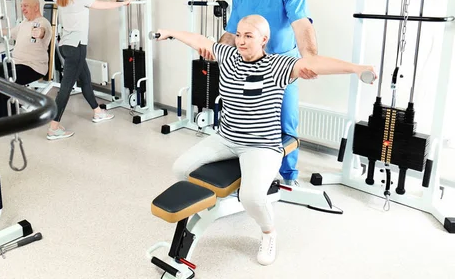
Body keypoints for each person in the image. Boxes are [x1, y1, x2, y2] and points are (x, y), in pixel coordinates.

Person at [156, 15, 376, 266]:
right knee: (181, 168)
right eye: (238, 35)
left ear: (264, 39)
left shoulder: (278, 66)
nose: (240, 41)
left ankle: (269, 232)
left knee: (250, 197)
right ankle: (212, 203)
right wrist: (170, 31)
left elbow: (318, 63)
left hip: (262, 145)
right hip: (226, 138)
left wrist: (357, 69)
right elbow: (197, 40)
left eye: (248, 36)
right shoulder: (228, 57)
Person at [201, 0, 317, 186]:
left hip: (283, 68)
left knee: (286, 122)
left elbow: (301, 24)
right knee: (243, 122)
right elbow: (231, 34)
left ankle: (288, 177)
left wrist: (311, 60)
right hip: (250, 70)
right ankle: (245, 173)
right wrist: (216, 52)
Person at [47, 0, 130, 140]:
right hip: (76, 48)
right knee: (66, 88)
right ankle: (53, 127)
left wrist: (112, 1)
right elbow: (101, 6)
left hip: (66, 46)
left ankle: (97, 112)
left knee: (85, 80)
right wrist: (123, 3)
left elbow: (97, 3)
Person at [0, 0, 52, 120]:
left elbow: (43, 31)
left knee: (5, 79)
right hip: (18, 63)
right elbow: (11, 32)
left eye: (25, 5)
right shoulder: (25, 23)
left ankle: (6, 116)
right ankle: (0, 113)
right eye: (22, 6)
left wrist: (39, 33)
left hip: (33, 67)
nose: (22, 8)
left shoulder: (43, 22)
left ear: (36, 7)